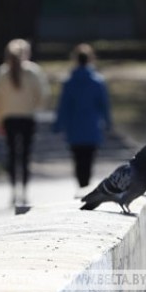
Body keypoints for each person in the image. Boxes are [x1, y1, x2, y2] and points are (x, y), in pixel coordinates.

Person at [0, 38, 50, 206]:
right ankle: (24, 192)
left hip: (9, 120)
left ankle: (14, 191)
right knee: (25, 156)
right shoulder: (33, 71)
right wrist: (35, 107)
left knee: (12, 155)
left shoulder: (2, 73)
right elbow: (43, 95)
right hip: (28, 118)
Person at [53, 43, 112, 188]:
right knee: (89, 161)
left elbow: (63, 106)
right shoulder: (98, 81)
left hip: (74, 128)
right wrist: (108, 123)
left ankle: (81, 186)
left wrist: (58, 125)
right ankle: (86, 186)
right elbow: (104, 105)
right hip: (92, 127)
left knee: (78, 160)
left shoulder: (69, 82)